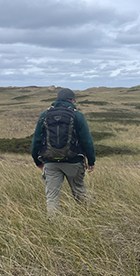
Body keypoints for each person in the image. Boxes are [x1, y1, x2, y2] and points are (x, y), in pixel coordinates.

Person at [31, 88, 97, 216]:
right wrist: (91, 160)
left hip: (50, 162)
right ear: (72, 100)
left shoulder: (45, 115)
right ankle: (85, 219)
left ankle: (53, 225)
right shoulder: (77, 115)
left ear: (57, 99)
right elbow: (87, 140)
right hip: (74, 161)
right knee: (79, 192)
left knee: (52, 197)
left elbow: (36, 140)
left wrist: (37, 160)